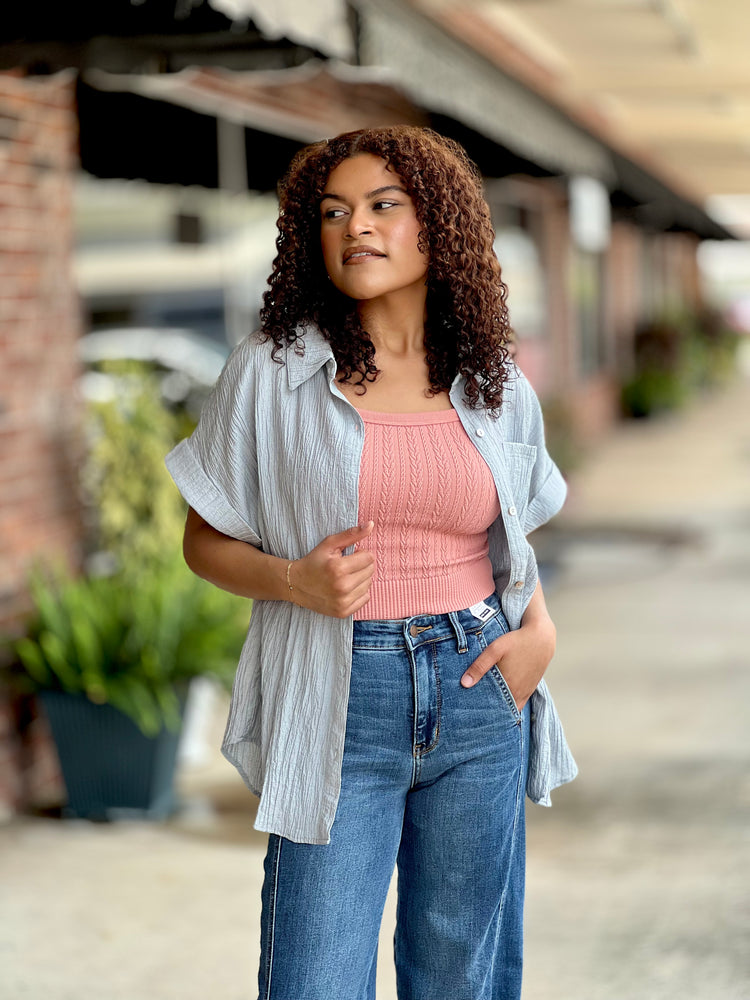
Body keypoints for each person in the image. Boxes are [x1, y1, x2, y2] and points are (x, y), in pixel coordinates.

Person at [166, 125, 576, 1000]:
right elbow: (201, 541)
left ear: (439, 227)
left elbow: (516, 541)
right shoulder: (272, 373)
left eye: (385, 205)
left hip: (481, 685)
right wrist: (293, 581)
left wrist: (539, 635)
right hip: (341, 691)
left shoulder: (494, 376)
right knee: (315, 976)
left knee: (460, 976)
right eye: (334, 211)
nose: (357, 226)